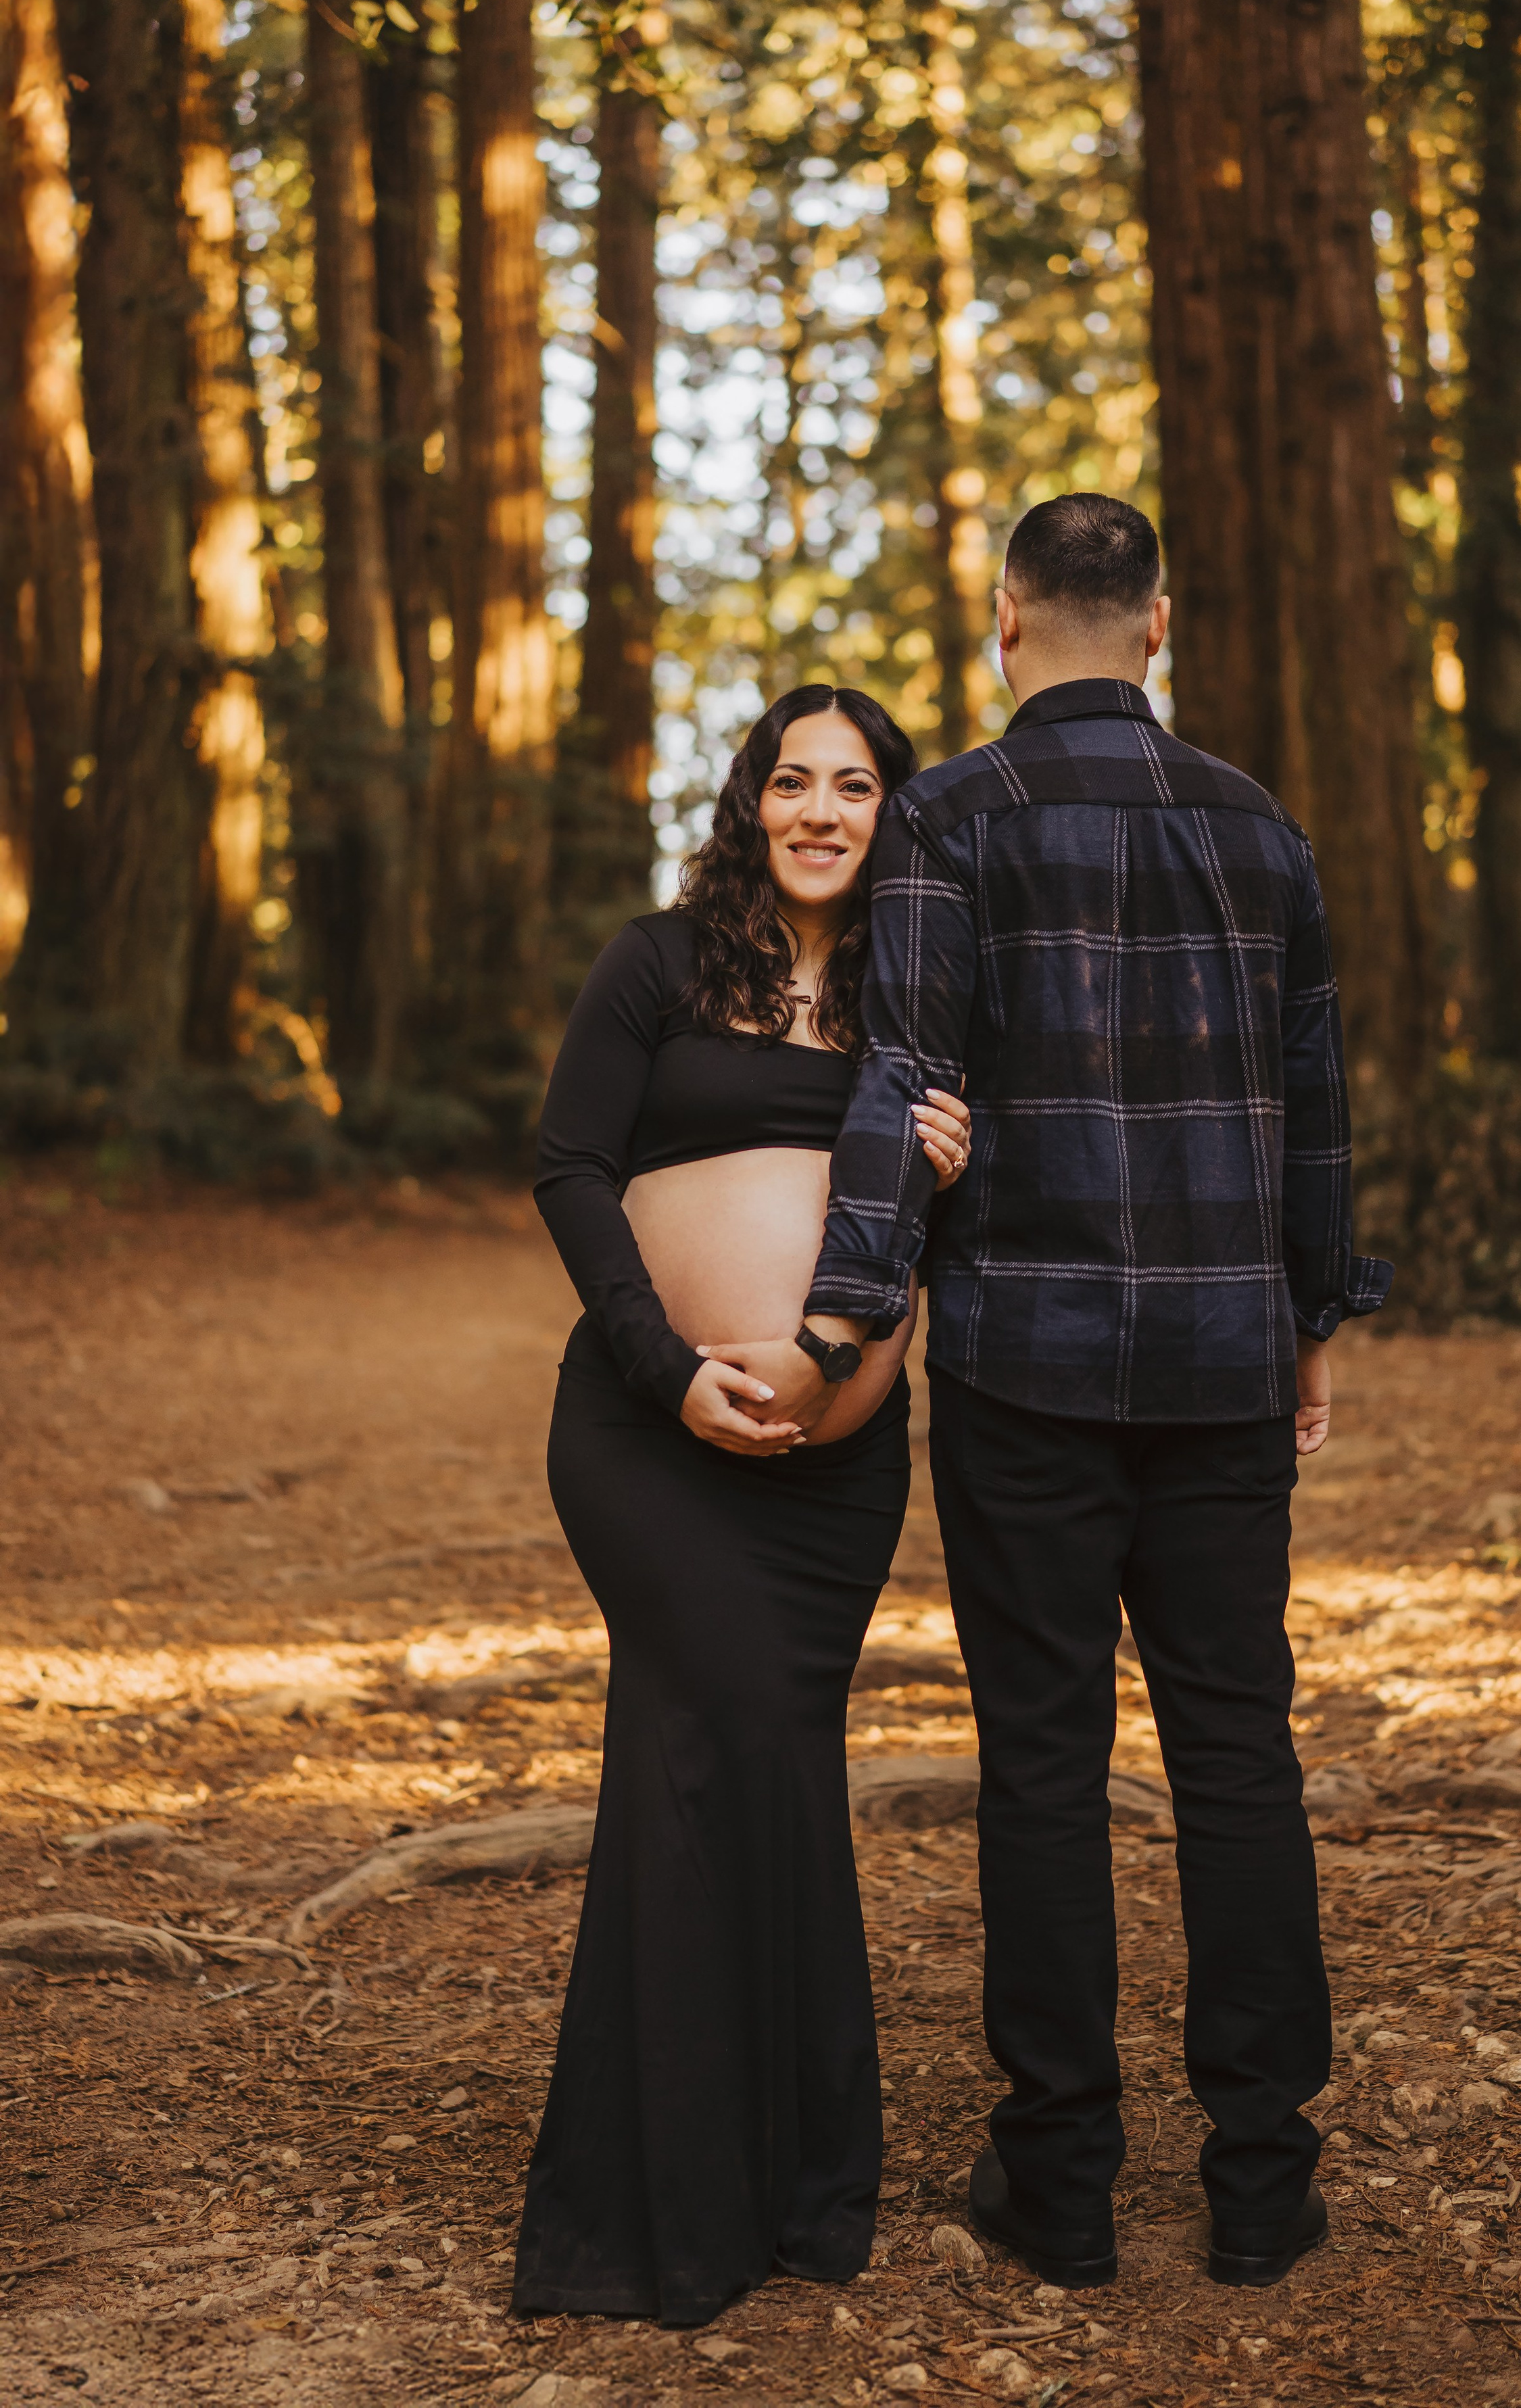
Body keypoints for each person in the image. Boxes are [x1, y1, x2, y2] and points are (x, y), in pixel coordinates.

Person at [707, 496, 1391, 2295]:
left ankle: (1063, 2184)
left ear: (1007, 619)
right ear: (1155, 625)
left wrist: (843, 1327)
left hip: (1028, 1367)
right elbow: (1315, 1115)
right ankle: (1263, 2182)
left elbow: (908, 1086)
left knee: (1044, 1764)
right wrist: (1315, 1321)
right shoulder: (1263, 832)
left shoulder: (949, 818)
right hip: (1230, 1369)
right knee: (1240, 1756)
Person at [512, 684, 971, 2330]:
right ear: (752, 801)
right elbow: (569, 1166)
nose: (823, 811)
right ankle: (657, 2206)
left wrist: (951, 1170)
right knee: (695, 1756)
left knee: (762, 1764)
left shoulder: (926, 997)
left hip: (834, 1475)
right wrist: (663, 1367)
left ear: (888, 814)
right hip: (644, 1439)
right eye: (794, 781)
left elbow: (948, 1243)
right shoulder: (657, 961)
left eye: (855, 786)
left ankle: (788, 2184)